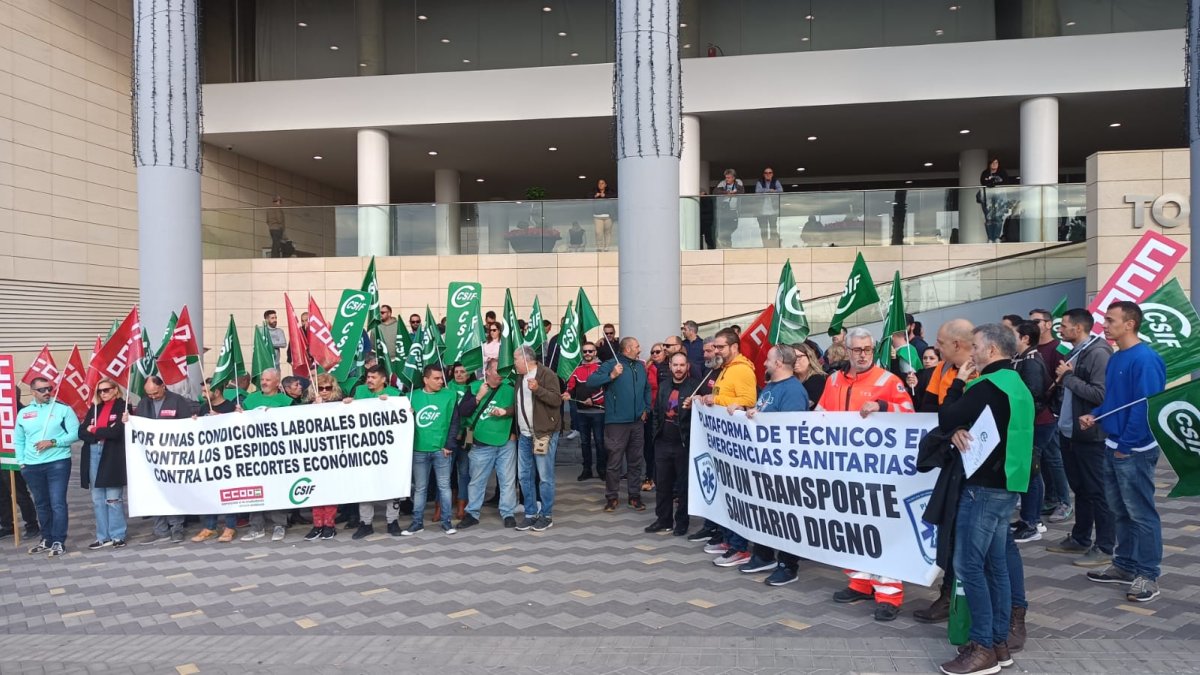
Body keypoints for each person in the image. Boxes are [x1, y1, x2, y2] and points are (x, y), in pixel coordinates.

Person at [934, 324, 1033, 675]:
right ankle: (998, 642)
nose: (971, 352)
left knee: (969, 566)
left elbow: (947, 416)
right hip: (1008, 484)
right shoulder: (1016, 384)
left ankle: (983, 647)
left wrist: (958, 382)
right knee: (995, 566)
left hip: (982, 489)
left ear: (991, 350)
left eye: (975, 346)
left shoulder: (987, 385)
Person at [817, 327, 913, 622]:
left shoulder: (888, 380)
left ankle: (888, 595)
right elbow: (819, 414)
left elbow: (910, 414)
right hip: (842, 471)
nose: (862, 355)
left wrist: (883, 406)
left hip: (877, 475)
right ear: (846, 351)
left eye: (867, 349)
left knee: (880, 533)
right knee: (850, 529)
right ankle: (860, 582)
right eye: (857, 350)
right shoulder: (833, 380)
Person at [1079, 301, 1166, 602]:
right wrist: (1097, 413)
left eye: (1111, 319)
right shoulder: (1118, 356)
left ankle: (1148, 574)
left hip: (1134, 449)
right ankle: (1125, 565)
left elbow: (1145, 407)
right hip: (1114, 444)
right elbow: (1119, 401)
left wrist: (1126, 446)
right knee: (1121, 510)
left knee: (1141, 513)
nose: (1105, 323)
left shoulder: (1145, 359)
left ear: (1130, 324)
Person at [913, 319, 975, 623]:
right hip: (950, 461)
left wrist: (955, 426)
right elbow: (931, 409)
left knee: (965, 534)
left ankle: (962, 597)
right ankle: (947, 593)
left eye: (940, 341)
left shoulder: (979, 372)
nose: (934, 347)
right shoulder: (942, 370)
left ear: (957, 344)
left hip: (975, 467)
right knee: (947, 527)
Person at [1045, 309, 1113, 567]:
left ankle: (1105, 545)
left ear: (1079, 328)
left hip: (1090, 434)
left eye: (1064, 326)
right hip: (1069, 431)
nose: (1060, 330)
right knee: (1081, 489)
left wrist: (1068, 377)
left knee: (1098, 491)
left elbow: (1100, 395)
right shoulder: (1077, 351)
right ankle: (1081, 537)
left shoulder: (1098, 352)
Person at [735, 345, 810, 581]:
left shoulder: (793, 391)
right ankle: (764, 554)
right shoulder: (771, 386)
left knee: (786, 514)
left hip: (783, 465)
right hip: (764, 463)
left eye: (768, 360)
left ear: (779, 364)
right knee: (764, 511)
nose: (764, 363)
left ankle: (788, 565)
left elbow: (790, 428)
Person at [699, 329, 759, 566]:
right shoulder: (724, 370)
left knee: (737, 494)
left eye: (720, 347)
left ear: (734, 347)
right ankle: (728, 538)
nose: (716, 351)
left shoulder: (742, 370)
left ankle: (739, 547)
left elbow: (748, 401)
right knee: (726, 493)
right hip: (723, 444)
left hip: (737, 444)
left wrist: (716, 401)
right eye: (715, 347)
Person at [127, 375, 197, 544]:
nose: (153, 397)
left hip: (172, 455)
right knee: (154, 492)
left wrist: (193, 422)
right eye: (149, 394)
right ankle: (160, 530)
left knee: (173, 492)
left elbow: (187, 424)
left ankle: (177, 528)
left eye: (155, 393)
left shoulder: (178, 401)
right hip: (151, 458)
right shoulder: (144, 403)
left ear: (163, 386)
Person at [16, 377, 80, 557]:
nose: (46, 392)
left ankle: (59, 540)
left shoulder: (63, 409)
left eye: (49, 388)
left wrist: (53, 442)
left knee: (57, 503)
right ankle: (46, 539)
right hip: (31, 465)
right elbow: (19, 440)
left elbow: (75, 433)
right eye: (42, 390)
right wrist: (21, 462)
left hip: (57, 463)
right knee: (41, 503)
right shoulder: (24, 413)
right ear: (33, 392)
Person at [587, 337, 652, 513]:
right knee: (614, 462)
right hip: (616, 423)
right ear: (628, 349)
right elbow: (591, 382)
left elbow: (646, 388)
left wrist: (646, 407)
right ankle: (612, 497)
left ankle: (634, 496)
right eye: (637, 346)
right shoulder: (611, 364)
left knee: (636, 461)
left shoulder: (640, 366)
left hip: (637, 422)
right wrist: (612, 375)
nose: (640, 349)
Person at [457, 359, 518, 529]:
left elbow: (517, 409)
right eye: (498, 370)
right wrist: (478, 397)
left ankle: (508, 512)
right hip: (481, 442)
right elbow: (462, 411)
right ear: (488, 372)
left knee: (507, 480)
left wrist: (513, 431)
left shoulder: (510, 387)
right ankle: (472, 513)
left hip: (505, 441)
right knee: (477, 480)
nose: (501, 374)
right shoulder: (476, 387)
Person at [644, 352, 700, 536]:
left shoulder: (694, 388)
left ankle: (682, 522)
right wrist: (655, 437)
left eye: (682, 365)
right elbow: (657, 413)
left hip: (683, 444)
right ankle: (663, 520)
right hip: (662, 443)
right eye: (675, 365)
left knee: (683, 487)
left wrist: (698, 403)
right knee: (663, 485)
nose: (678, 368)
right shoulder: (664, 386)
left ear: (687, 367)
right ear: (670, 366)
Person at [404, 365, 462, 536]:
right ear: (425, 379)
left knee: (444, 487)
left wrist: (449, 445)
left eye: (441, 378)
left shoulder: (449, 395)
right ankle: (417, 522)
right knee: (420, 488)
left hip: (441, 450)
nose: (441, 381)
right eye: (436, 378)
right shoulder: (411, 396)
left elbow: (454, 422)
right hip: (418, 450)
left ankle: (447, 522)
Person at [347, 365, 404, 538]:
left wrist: (399, 406)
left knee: (392, 485)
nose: (369, 380)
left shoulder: (395, 394)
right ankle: (365, 523)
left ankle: (392, 521)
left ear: (383, 380)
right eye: (368, 377)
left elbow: (406, 415)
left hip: (389, 449)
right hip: (365, 448)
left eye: (373, 377)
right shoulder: (360, 391)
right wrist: (347, 405)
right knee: (365, 484)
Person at [240, 369, 294, 542]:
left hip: (277, 452)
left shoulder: (286, 401)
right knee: (255, 490)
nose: (264, 382)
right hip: (254, 453)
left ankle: (279, 525)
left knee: (277, 488)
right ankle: (256, 526)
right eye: (262, 379)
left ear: (277, 382)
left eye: (268, 380)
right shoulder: (250, 400)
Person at [1028, 308, 1072, 524]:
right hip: (1036, 413)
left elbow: (1064, 378)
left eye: (1036, 321)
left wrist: (1053, 406)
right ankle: (1052, 498)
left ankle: (1064, 502)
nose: (1033, 325)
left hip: (1050, 412)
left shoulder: (1059, 348)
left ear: (1048, 324)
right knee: (1044, 459)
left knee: (1054, 459)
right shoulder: (1033, 349)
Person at [513, 346, 562, 531]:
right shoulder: (520, 377)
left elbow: (556, 400)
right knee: (524, 476)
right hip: (525, 434)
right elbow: (518, 403)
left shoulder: (547, 374)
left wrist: (538, 389)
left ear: (526, 360)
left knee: (544, 477)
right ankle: (530, 513)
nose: (514, 363)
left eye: (516, 359)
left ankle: (546, 515)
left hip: (543, 433)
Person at [1010, 321, 1050, 544]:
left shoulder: (1032, 362)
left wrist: (1018, 419)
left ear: (1025, 338)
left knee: (1032, 472)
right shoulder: (1022, 359)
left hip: (1034, 425)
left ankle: (1032, 522)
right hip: (1027, 424)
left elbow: (1034, 397)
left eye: (1013, 334)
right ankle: (1027, 517)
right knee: (1027, 472)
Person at [77, 378, 128, 550]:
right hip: (93, 451)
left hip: (111, 453)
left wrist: (95, 430)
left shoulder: (123, 406)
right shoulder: (95, 407)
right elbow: (82, 432)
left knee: (113, 497)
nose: (103, 393)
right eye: (100, 391)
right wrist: (99, 432)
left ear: (115, 389)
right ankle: (102, 536)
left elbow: (116, 432)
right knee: (97, 498)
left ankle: (118, 534)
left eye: (106, 390)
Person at [191, 379, 240, 543]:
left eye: (206, 391)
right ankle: (210, 527)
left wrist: (221, 418)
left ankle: (230, 527)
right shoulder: (204, 407)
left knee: (228, 493)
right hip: (209, 458)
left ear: (217, 392)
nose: (203, 395)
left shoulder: (230, 407)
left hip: (227, 459)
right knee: (210, 493)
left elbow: (238, 428)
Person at [299, 374, 344, 541]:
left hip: (332, 457)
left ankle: (329, 525)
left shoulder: (339, 405)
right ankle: (317, 525)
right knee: (315, 490)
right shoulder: (307, 406)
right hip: (313, 457)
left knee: (330, 490)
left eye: (328, 388)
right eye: (321, 388)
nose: (324, 391)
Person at [0, 387, 39, 540]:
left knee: (19, 493)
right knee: (2, 494)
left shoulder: (22, 412)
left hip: (15, 457)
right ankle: (7, 524)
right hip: (1, 456)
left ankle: (31, 524)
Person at [564, 342, 606, 481]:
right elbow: (571, 386)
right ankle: (586, 469)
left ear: (595, 353)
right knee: (584, 442)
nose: (587, 353)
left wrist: (594, 400)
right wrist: (568, 393)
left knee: (600, 442)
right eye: (585, 351)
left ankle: (602, 469)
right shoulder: (577, 369)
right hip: (581, 412)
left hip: (599, 412)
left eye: (590, 351)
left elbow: (606, 389)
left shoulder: (602, 368)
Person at [980, 158, 1011, 243]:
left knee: (998, 217)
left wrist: (993, 183)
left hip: (1000, 198)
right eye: (993, 162)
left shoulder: (1002, 172)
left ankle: (996, 237)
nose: (994, 164)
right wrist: (991, 182)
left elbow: (1005, 182)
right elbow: (983, 182)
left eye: (996, 162)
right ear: (989, 164)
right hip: (988, 198)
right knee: (989, 218)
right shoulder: (985, 173)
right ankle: (990, 238)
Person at [906, 345, 942, 413]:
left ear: (940, 361)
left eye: (932, 358)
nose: (927, 361)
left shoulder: (927, 373)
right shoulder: (919, 374)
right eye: (925, 358)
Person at [792, 341, 827, 410]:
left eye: (799, 356)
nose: (795, 360)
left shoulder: (818, 379)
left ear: (809, 357)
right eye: (792, 357)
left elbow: (805, 406)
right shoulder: (791, 381)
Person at [714, 169, 744, 247]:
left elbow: (741, 191)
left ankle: (726, 241)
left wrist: (734, 193)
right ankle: (727, 243)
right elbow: (716, 192)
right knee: (724, 228)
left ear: (733, 178)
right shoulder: (722, 183)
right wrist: (727, 193)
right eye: (726, 178)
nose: (727, 179)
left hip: (734, 210)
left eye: (729, 178)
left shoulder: (738, 182)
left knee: (734, 226)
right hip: (724, 210)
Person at [754, 167, 784, 244]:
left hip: (773, 211)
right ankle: (765, 244)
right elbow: (758, 191)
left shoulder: (775, 181)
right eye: (766, 173)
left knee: (773, 228)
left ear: (772, 174)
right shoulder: (760, 182)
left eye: (770, 173)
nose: (768, 174)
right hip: (761, 211)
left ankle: (773, 244)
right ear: (763, 174)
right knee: (763, 229)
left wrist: (766, 191)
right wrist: (769, 190)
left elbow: (780, 190)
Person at [592, 178, 615, 252]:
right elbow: (587, 197)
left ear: (605, 185)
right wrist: (595, 196)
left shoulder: (610, 192)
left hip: (608, 216)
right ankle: (599, 248)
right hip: (597, 216)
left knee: (607, 232)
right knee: (598, 232)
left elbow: (615, 196)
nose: (600, 185)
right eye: (599, 183)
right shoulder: (594, 191)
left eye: (602, 183)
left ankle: (606, 248)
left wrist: (605, 195)